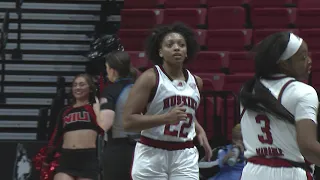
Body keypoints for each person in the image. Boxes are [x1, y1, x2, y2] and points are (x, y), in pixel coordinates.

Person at [123, 22, 212, 180]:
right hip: (152, 151)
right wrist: (165, 119)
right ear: (160, 52)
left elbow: (183, 111)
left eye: (181, 45)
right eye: (170, 45)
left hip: (184, 153)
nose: (176, 48)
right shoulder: (150, 78)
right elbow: (128, 122)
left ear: (186, 52)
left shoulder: (196, 82)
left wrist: (198, 128)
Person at [239, 32, 318, 180]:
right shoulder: (303, 92)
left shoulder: (248, 90)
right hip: (289, 172)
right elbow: (308, 147)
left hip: (251, 172)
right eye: (302, 57)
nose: (309, 61)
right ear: (284, 64)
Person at [43, 74, 105, 180]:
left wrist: (98, 109)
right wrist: (48, 157)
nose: (77, 88)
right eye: (75, 85)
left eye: (82, 85)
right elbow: (56, 135)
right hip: (67, 157)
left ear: (90, 88)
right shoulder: (65, 111)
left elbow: (103, 128)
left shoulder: (94, 109)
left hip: (88, 158)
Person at [95, 51, 139, 180]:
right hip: (142, 148)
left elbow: (104, 124)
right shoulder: (141, 87)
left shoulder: (111, 91)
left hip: (119, 151)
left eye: (107, 69)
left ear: (113, 71)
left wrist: (96, 108)